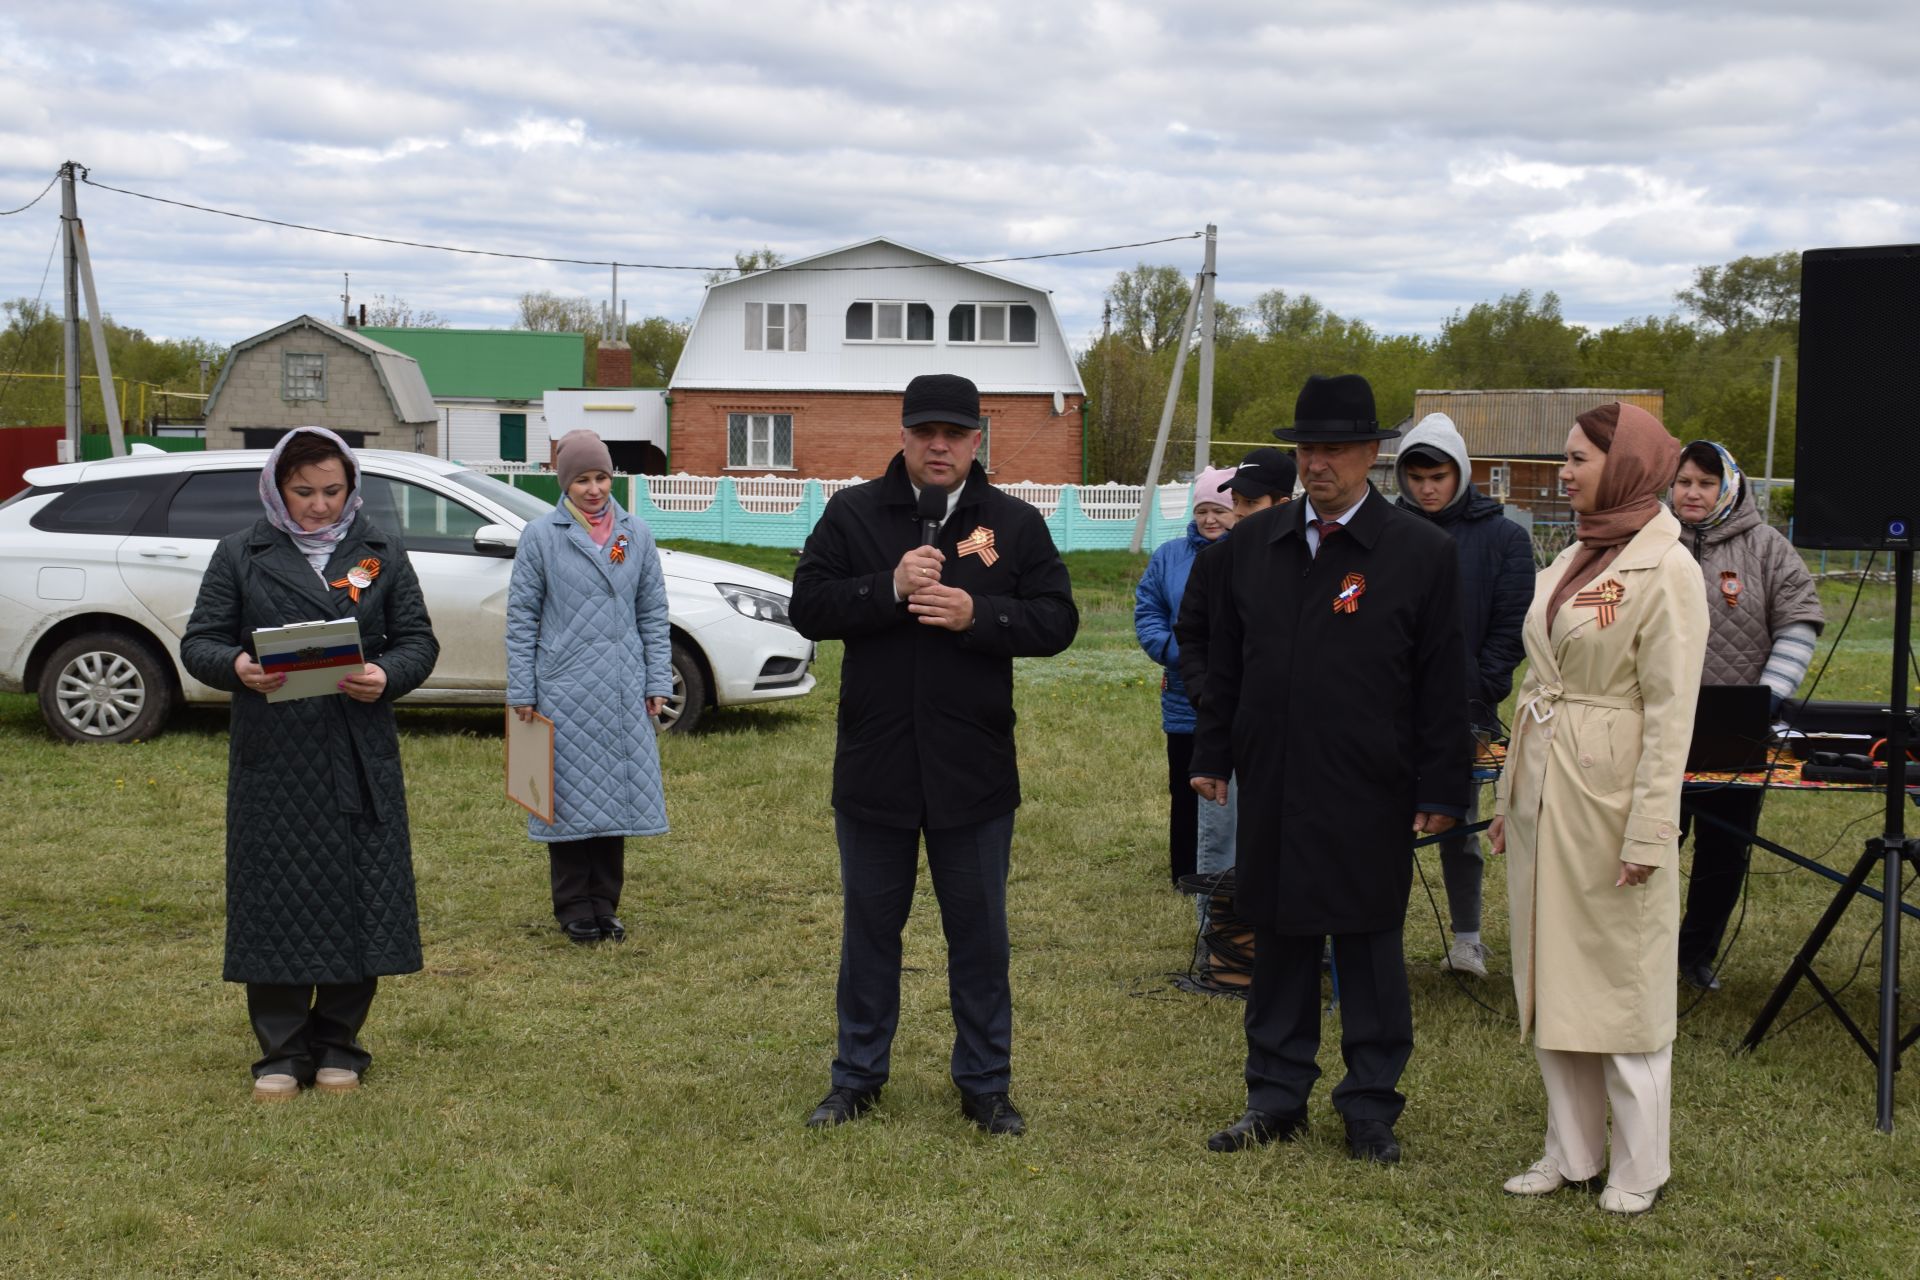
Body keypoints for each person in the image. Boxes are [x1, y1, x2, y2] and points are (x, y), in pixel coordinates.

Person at [1185, 374, 1469, 1164]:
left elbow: (1445, 680)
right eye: (1307, 448)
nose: (1318, 464)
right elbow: (1224, 660)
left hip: (1371, 781)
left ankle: (1370, 1105)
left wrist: (1442, 785)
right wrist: (1213, 753)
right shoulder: (1252, 544)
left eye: (1336, 449)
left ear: (1371, 455)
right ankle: (1275, 1096)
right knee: (1278, 936)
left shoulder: (1420, 552)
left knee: (1368, 943)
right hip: (1274, 776)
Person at [790, 373, 1078, 1136]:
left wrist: (978, 613)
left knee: (979, 935)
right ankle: (856, 1076)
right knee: (870, 931)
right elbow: (807, 607)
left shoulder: (1010, 524)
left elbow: (1058, 619)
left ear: (977, 439)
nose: (940, 445)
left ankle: (985, 1084)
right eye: (926, 433)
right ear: (904, 434)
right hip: (876, 767)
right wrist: (885, 587)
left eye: (956, 433)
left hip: (973, 772)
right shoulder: (853, 513)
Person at [1490, 403, 1707, 1216]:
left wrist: (1650, 826)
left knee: (1622, 979)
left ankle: (1640, 1165)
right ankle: (1572, 1151)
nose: (1564, 472)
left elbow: (1672, 711)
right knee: (1555, 972)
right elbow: (1540, 680)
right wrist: (1516, 795)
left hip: (1612, 797)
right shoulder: (1576, 553)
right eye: (1566, 458)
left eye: (1579, 459)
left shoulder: (1669, 570)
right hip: (1549, 784)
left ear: (1624, 468)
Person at [181, 426, 440, 1101]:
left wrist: (386, 675)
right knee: (276, 904)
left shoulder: (380, 550)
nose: (319, 505)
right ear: (277, 488)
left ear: (351, 486)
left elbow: (418, 640)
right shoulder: (241, 552)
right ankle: (282, 1051)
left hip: (357, 755)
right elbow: (200, 642)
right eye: (304, 492)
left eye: (332, 490)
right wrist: (238, 666)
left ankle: (340, 1046)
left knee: (362, 901)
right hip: (275, 760)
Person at [506, 429, 671, 945]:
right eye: (582, 479)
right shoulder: (541, 536)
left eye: (601, 477)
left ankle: (606, 903)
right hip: (564, 689)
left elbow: (653, 611)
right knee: (568, 804)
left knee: (615, 800)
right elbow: (521, 618)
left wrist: (657, 677)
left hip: (623, 688)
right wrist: (523, 691)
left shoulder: (635, 534)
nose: (594, 489)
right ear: (565, 483)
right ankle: (574, 905)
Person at [1669, 439, 1823, 991]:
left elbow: (1799, 621)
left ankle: (1692, 958)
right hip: (1657, 726)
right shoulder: (1649, 540)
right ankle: (1641, 955)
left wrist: (1765, 701)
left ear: (1728, 486)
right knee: (1653, 843)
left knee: (1724, 850)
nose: (1692, 492)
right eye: (1684, 481)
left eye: (1704, 484)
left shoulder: (1768, 547)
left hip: (1735, 733)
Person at [1393, 413, 1534, 980]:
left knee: (1458, 827)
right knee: (1378, 830)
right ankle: (1375, 937)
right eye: (1418, 476)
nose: (1428, 487)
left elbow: (1512, 628)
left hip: (1465, 716)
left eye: (1439, 476)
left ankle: (1468, 940)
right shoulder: (1382, 531)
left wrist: (1478, 692)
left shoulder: (1505, 538)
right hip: (1387, 711)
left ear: (1462, 474)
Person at [1177, 446, 1298, 931]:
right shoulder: (1215, 564)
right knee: (1221, 836)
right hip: (1228, 726)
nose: (1239, 516)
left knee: (1292, 838)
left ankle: (1290, 937)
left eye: (1251, 505)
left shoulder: (1314, 563)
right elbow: (1192, 634)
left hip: (1293, 728)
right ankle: (1222, 945)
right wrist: (1208, 694)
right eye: (1237, 505)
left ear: (1284, 503)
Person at [1134, 464, 1238, 889]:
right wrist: (1181, 654)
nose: (1210, 519)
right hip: (1183, 695)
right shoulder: (1169, 557)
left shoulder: (1248, 555)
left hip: (1237, 693)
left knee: (1232, 789)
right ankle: (1185, 871)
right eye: (1202, 511)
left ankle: (1231, 868)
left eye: (1220, 510)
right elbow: (1148, 613)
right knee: (1186, 784)